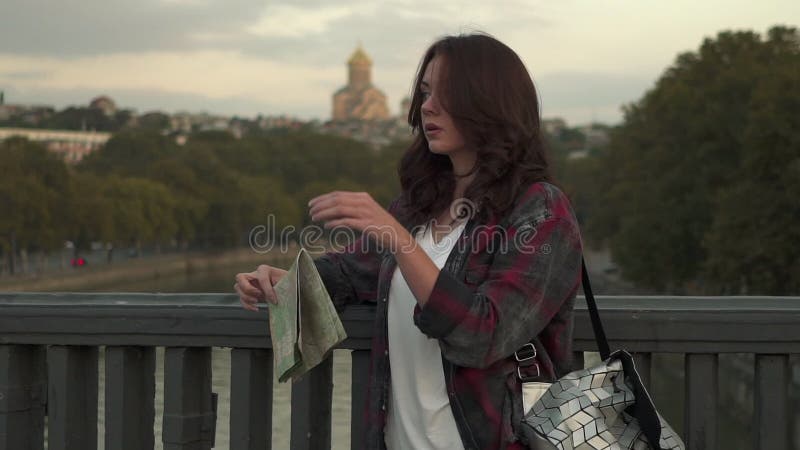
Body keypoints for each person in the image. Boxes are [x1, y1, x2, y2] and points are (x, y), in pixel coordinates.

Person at [235, 32, 583, 450]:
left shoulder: (541, 210)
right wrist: (283, 281)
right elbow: (350, 273)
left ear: (491, 102)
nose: (427, 106)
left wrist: (397, 237)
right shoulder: (420, 204)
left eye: (447, 93)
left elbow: (484, 334)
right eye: (423, 92)